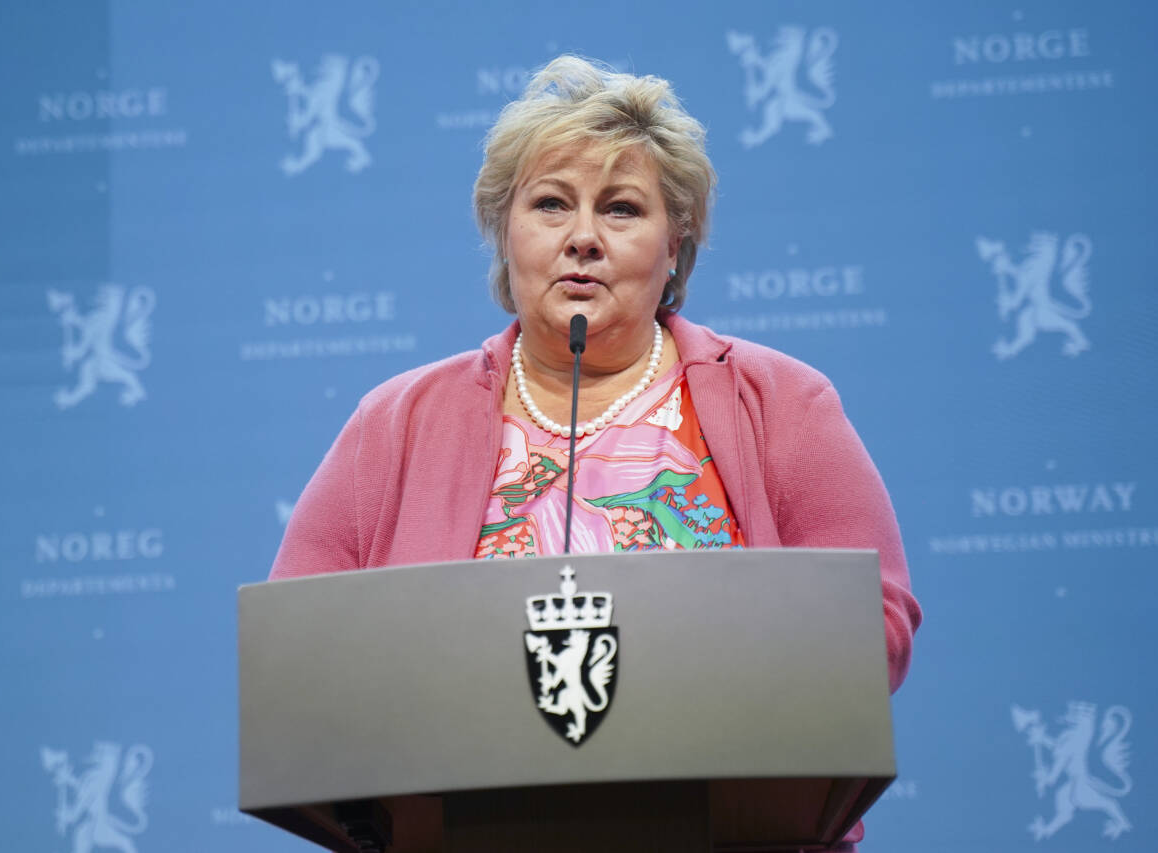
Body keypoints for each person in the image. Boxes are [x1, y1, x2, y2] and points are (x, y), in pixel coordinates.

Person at [269, 55, 921, 850]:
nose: (582, 238)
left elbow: (874, 627)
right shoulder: (395, 423)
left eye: (620, 209)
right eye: (549, 204)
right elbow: (297, 654)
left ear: (675, 244)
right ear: (504, 233)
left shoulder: (782, 403)